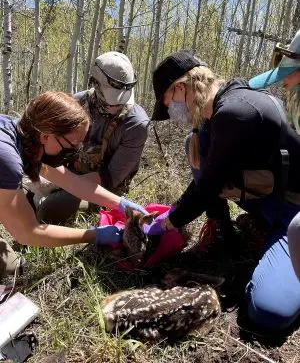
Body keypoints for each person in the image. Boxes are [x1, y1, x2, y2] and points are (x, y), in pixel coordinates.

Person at [151, 48, 300, 332]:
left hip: (293, 214)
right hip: (269, 199)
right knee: (195, 144)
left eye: (169, 102)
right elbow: (208, 178)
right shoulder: (215, 112)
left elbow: (207, 187)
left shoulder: (236, 111)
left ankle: (274, 244)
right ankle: (225, 230)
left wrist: (170, 221)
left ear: (181, 89)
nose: (171, 112)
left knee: (268, 312)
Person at [0, 91, 147, 278]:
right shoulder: (7, 159)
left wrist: (122, 204)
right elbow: (27, 232)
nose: (73, 151)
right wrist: (94, 235)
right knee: (11, 269)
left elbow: (74, 183)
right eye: (71, 144)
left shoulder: (24, 134)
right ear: (46, 136)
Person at [36, 52, 149, 224]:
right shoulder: (77, 103)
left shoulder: (136, 124)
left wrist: (61, 183)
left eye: (120, 100)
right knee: (25, 190)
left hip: (105, 189)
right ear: (95, 84)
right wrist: (49, 176)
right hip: (71, 173)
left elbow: (111, 178)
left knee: (50, 208)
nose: (117, 105)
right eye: (112, 99)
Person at [248, 29, 300, 283]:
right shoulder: (290, 117)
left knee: (268, 309)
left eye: (290, 78)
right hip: (279, 201)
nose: (284, 85)